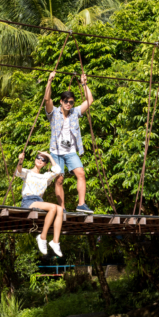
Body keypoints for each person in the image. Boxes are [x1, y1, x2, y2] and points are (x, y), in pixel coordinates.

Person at [44, 71, 94, 214]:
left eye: (71, 102)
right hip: (56, 152)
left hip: (71, 151)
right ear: (61, 101)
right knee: (59, 180)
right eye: (66, 101)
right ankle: (62, 208)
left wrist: (84, 84)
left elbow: (89, 100)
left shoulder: (75, 112)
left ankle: (81, 204)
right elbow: (47, 100)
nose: (68, 104)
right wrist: (49, 81)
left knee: (81, 173)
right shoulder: (53, 113)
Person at [15, 151, 64, 257]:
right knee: (52, 208)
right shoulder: (27, 172)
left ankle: (55, 242)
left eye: (43, 160)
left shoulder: (46, 176)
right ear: (35, 159)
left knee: (59, 209)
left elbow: (58, 170)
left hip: (39, 201)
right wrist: (20, 160)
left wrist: (50, 156)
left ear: (46, 163)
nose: (40, 160)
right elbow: (18, 171)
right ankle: (42, 237)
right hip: (28, 201)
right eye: (38, 158)